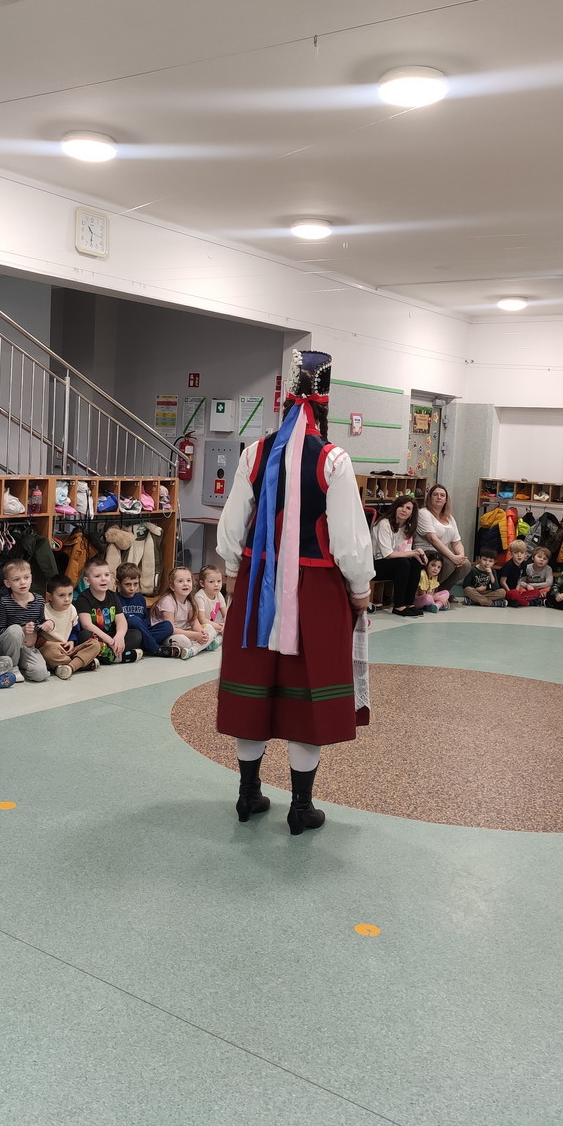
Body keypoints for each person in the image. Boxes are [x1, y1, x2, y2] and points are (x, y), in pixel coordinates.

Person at [216, 348, 373, 835]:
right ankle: (300, 807)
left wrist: (232, 567)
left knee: (254, 687)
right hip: (316, 589)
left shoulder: (253, 453)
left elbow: (233, 524)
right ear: (325, 407)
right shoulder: (333, 459)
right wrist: (360, 586)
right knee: (308, 693)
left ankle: (248, 794)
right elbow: (348, 537)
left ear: (283, 403)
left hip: (256, 583)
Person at [0, 559, 51, 682]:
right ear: (7, 583)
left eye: (26, 577)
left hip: (29, 648)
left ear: (31, 578)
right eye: (16, 579)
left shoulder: (39, 600)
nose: (22, 582)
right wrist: (22, 630)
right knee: (15, 630)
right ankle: (11, 666)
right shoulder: (4, 602)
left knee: (40, 674)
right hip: (9, 648)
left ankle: (22, 668)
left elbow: (41, 621)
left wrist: (49, 623)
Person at [77, 558, 142, 663]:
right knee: (84, 636)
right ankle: (119, 657)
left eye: (106, 575)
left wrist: (119, 637)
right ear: (87, 581)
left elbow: (121, 621)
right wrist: (110, 641)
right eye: (97, 576)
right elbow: (87, 625)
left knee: (136, 634)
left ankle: (106, 656)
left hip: (112, 636)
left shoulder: (112, 596)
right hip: (97, 638)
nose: (103, 579)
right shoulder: (83, 598)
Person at [371, 495, 426, 617]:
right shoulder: (384, 524)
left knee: (415, 563)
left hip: (394, 563)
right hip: (376, 563)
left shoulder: (407, 527)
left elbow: (406, 552)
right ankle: (398, 606)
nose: (404, 510)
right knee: (403, 563)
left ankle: (409, 603)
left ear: (412, 513)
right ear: (395, 508)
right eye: (401, 506)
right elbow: (387, 554)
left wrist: (419, 554)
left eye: (408, 508)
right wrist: (413, 552)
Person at [38, 574, 102, 676]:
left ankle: (69, 667)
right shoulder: (42, 610)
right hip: (51, 648)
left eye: (70, 594)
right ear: (49, 597)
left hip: (68, 649)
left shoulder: (72, 609)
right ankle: (79, 664)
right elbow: (36, 637)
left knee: (95, 644)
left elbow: (74, 630)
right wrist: (50, 644)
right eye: (61, 595)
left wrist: (72, 641)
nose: (67, 599)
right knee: (49, 653)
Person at [151, 566, 217, 659]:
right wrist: (196, 635)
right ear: (172, 586)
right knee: (185, 641)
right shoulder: (168, 601)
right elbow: (171, 629)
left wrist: (202, 633)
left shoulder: (190, 602)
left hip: (185, 631)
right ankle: (201, 646)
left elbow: (194, 623)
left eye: (188, 580)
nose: (185, 584)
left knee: (210, 628)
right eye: (180, 581)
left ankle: (193, 650)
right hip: (168, 635)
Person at [414, 484, 468, 591]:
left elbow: (456, 542)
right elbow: (432, 539)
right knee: (448, 564)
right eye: (435, 494)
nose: (439, 497)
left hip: (443, 554)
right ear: (429, 498)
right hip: (426, 552)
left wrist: (460, 556)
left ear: (446, 500)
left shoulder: (449, 517)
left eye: (442, 495)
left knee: (466, 565)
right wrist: (453, 557)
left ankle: (442, 592)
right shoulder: (423, 513)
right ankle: (426, 591)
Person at [115, 563, 173, 656]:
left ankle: (146, 645)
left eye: (135, 584)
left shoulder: (140, 598)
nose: (132, 588)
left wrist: (143, 626)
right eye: (127, 584)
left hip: (144, 631)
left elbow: (145, 619)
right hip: (130, 633)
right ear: (118, 583)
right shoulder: (115, 599)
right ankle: (155, 649)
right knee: (133, 620)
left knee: (168, 626)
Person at [194, 565, 228, 638]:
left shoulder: (219, 594)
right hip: (200, 627)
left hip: (212, 626)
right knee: (211, 630)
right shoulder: (200, 596)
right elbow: (202, 620)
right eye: (211, 582)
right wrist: (220, 627)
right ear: (202, 583)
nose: (216, 584)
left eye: (219, 581)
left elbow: (226, 614)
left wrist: (226, 625)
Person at [498, 539, 530, 605]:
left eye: (522, 553)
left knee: (536, 592)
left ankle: (519, 600)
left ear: (525, 554)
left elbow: (519, 579)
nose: (519, 555)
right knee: (514, 595)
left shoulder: (524, 564)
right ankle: (525, 602)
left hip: (515, 590)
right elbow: (502, 581)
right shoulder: (508, 565)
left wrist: (517, 591)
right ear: (511, 554)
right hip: (506, 590)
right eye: (516, 553)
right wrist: (509, 592)